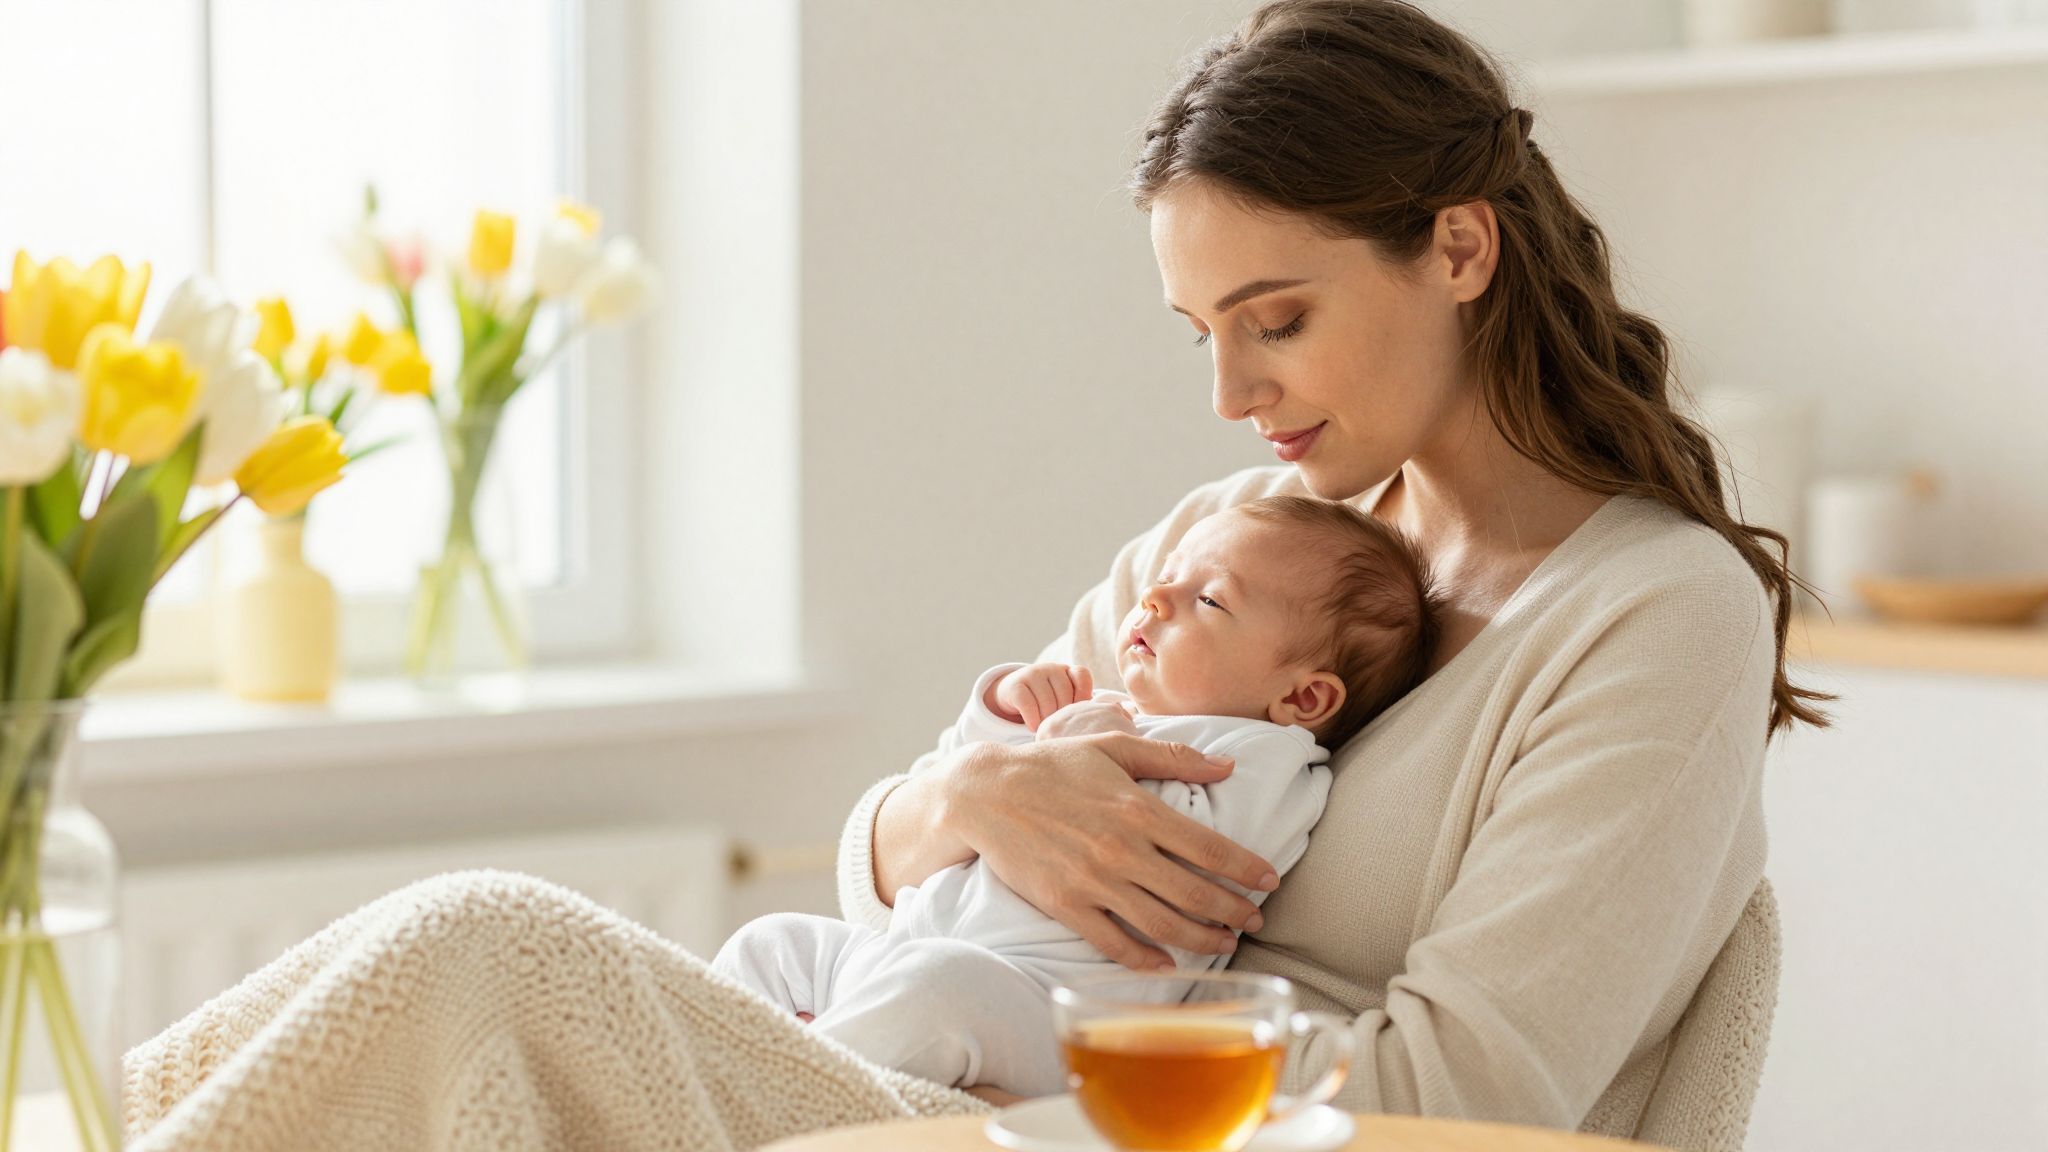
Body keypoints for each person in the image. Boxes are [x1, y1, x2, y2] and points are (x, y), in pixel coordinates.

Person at [119, 4, 1827, 1150]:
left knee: (483, 951)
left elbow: (1472, 1099)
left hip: (1063, 1119)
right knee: (459, 985)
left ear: (1458, 246)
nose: (1230, 398)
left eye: (1275, 321)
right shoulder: (1225, 543)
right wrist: (973, 795)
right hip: (937, 1075)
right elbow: (889, 859)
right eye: (1198, 335)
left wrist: (1027, 1061)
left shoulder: (1648, 615)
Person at [711, 498, 1438, 1097]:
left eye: (1209, 599)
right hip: (912, 947)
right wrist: (1002, 709)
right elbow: (968, 786)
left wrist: (1078, 734)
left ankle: (792, 1106)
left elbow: (1186, 847)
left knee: (932, 992)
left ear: (1303, 696)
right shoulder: (1127, 705)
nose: (1156, 597)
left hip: (1045, 1014)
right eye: (1170, 577)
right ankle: (706, 1090)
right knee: (769, 943)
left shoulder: (1265, 762)